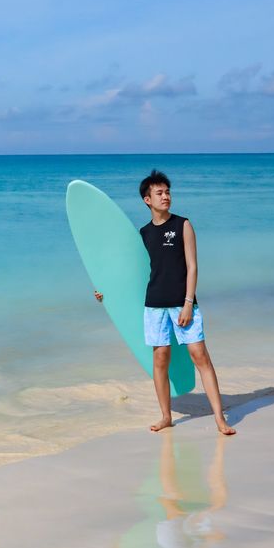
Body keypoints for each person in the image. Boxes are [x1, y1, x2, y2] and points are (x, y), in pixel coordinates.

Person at [95, 170, 235, 435]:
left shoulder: (183, 225)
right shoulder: (144, 234)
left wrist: (187, 302)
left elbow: (193, 267)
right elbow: (130, 273)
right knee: (160, 359)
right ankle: (166, 416)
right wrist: (106, 294)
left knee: (199, 355)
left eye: (168, 192)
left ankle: (219, 418)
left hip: (182, 303)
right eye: (159, 193)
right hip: (155, 304)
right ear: (147, 200)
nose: (166, 197)